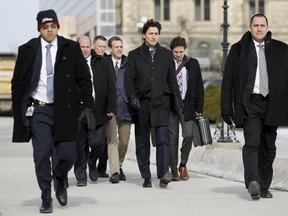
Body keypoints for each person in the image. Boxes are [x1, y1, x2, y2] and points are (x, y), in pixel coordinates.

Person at [11, 10, 95, 213]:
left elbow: (84, 79)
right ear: (39, 28)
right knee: (41, 154)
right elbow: (18, 83)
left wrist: (88, 107)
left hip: (65, 110)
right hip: (39, 109)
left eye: (53, 26)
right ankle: (46, 196)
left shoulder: (71, 48)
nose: (49, 30)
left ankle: (59, 178)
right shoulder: (28, 49)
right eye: (45, 27)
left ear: (58, 27)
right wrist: (19, 111)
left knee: (68, 155)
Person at [221, 14, 288, 200]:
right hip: (251, 103)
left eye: (262, 25)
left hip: (273, 104)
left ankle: (264, 186)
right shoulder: (238, 50)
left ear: (267, 27)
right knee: (252, 144)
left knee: (269, 147)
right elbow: (228, 82)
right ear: (250, 27)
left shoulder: (281, 50)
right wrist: (226, 109)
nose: (259, 28)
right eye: (255, 25)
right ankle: (253, 182)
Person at [124, 19, 181, 188]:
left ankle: (163, 174)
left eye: (156, 33)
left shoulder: (165, 54)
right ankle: (146, 176)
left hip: (162, 103)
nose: (154, 36)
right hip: (142, 104)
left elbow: (172, 81)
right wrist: (132, 96)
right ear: (144, 35)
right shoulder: (134, 55)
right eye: (150, 33)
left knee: (163, 140)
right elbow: (128, 79)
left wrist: (177, 103)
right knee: (142, 142)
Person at [168, 36, 204, 181]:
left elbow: (199, 86)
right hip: (171, 106)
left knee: (188, 135)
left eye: (181, 51)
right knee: (172, 139)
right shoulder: (167, 63)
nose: (178, 54)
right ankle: (173, 169)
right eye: (176, 52)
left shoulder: (193, 63)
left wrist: (199, 106)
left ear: (185, 50)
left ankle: (183, 164)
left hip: (187, 106)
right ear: (172, 50)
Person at [106, 36, 132, 183]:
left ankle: (119, 165)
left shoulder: (129, 63)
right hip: (111, 108)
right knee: (112, 141)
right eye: (116, 47)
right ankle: (115, 172)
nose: (119, 49)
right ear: (111, 49)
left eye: (121, 46)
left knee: (124, 141)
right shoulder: (105, 63)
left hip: (126, 107)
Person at [92, 35, 110, 178]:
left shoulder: (106, 61)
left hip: (103, 108)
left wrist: (111, 107)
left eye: (104, 47)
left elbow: (111, 86)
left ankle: (98, 166)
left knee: (101, 141)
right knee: (87, 141)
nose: (102, 50)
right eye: (100, 47)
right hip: (88, 107)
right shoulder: (88, 61)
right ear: (94, 46)